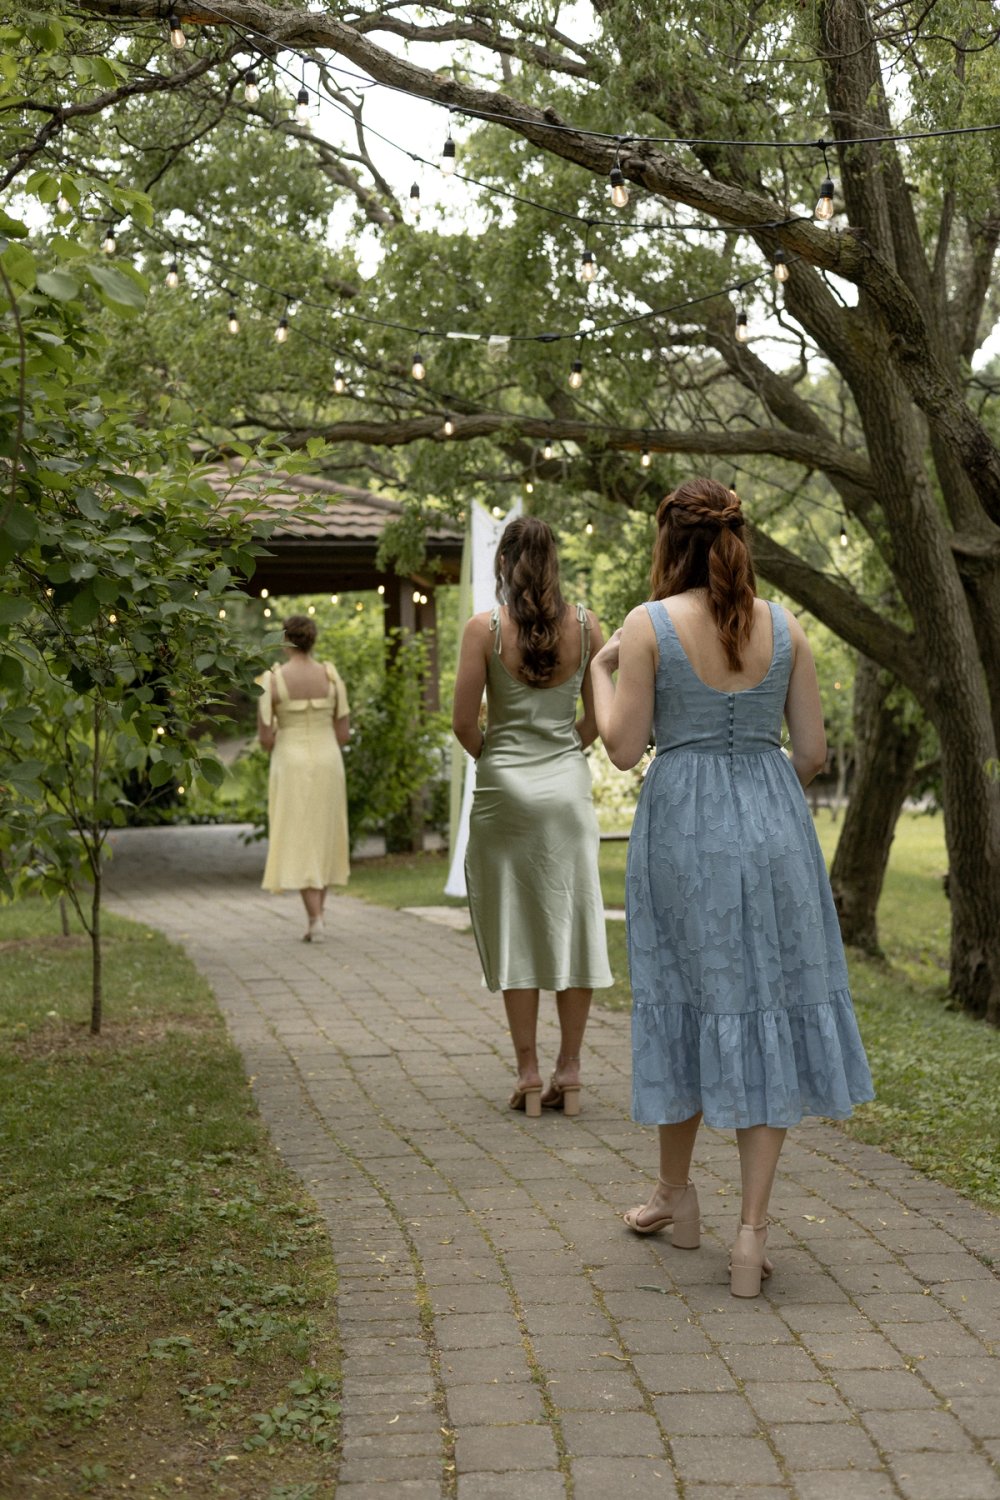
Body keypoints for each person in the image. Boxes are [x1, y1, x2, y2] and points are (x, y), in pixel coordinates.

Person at [591, 478, 873, 1297]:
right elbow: (813, 754)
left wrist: (602, 667)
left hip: (681, 832)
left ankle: (677, 1199)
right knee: (766, 1009)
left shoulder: (646, 628)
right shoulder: (789, 628)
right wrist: (759, 796)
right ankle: (748, 1235)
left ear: (668, 543)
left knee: (684, 996)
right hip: (776, 829)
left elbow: (619, 747)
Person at [452, 517, 613, 1117]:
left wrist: (501, 760)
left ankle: (527, 1071)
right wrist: (559, 754)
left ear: (504, 563)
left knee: (515, 924)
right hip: (567, 790)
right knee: (572, 924)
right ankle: (570, 1070)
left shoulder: (483, 631)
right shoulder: (587, 626)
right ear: (554, 563)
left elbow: (465, 724)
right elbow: (597, 722)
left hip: (504, 793)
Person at [257, 613, 351, 942]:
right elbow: (343, 733)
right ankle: (318, 916)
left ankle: (315, 919)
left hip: (291, 760)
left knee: (298, 834)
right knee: (324, 832)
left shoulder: (272, 680)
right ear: (313, 640)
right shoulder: (330, 675)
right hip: (328, 759)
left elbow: (266, 739)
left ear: (285, 640)